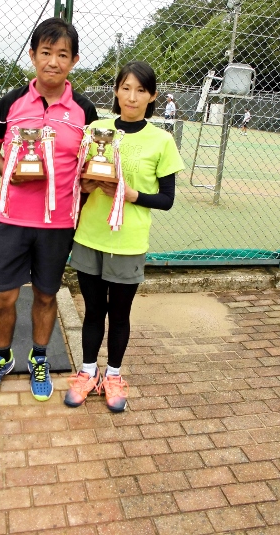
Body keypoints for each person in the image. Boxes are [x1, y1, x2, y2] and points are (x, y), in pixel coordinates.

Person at [0, 17, 97, 401]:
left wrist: (92, 183)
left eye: (62, 54)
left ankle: (39, 358)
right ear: (33, 55)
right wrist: (9, 171)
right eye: (46, 52)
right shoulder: (10, 103)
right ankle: (1, 357)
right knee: (3, 298)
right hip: (11, 219)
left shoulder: (85, 111)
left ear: (74, 61)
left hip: (58, 224)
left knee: (46, 296)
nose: (53, 62)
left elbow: (92, 163)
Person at [64, 61, 184, 413]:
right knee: (92, 311)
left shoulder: (162, 140)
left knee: (119, 314)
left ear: (152, 96)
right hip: (90, 236)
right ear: (116, 91)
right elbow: (78, 180)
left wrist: (132, 195)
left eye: (141, 90)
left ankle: (113, 376)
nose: (132, 97)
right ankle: (88, 373)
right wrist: (85, 186)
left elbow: (167, 199)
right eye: (126, 88)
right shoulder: (96, 130)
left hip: (128, 242)